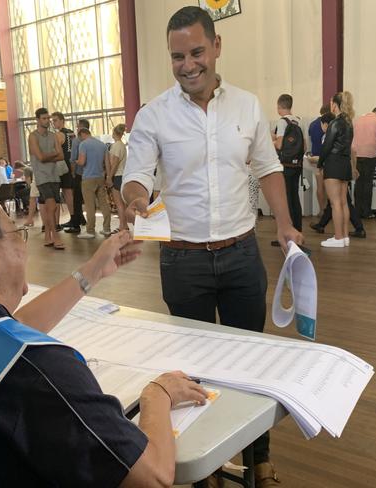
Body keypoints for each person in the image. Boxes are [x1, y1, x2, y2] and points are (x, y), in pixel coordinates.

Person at [0, 188, 207, 487]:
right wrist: (158, 394)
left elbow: (5, 332)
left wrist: (92, 272)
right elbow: (152, 477)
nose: (22, 243)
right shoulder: (34, 370)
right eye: (15, 233)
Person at [121, 7, 302, 486]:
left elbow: (267, 168)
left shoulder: (246, 105)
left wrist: (284, 224)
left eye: (197, 52)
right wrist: (137, 196)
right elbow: (136, 174)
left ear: (216, 47)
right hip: (183, 260)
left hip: (242, 254)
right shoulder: (153, 115)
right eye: (177, 56)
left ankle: (258, 459)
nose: (187, 64)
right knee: (192, 373)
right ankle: (206, 469)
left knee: (250, 363)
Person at [318, 91, 356, 248]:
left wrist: (320, 163)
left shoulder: (335, 123)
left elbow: (327, 146)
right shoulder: (349, 123)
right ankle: (345, 236)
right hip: (345, 163)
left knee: (335, 203)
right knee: (343, 202)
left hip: (333, 163)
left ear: (335, 104)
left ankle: (338, 237)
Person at [28, 108, 65, 249]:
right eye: (44, 118)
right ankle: (55, 237)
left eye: (48, 118)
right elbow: (40, 157)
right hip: (41, 176)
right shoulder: (33, 136)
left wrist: (48, 155)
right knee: (52, 206)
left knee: (52, 208)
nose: (47, 121)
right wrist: (52, 154)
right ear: (37, 120)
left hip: (54, 175)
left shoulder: (53, 136)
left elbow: (61, 156)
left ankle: (47, 236)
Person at [272, 93, 304, 238]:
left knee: (285, 199)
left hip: (285, 164)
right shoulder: (298, 121)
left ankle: (288, 233)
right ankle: (298, 230)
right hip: (297, 164)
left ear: (279, 106)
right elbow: (304, 144)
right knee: (294, 197)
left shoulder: (282, 122)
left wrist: (269, 143)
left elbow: (279, 144)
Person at [75, 127, 112, 239]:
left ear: (82, 134)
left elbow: (82, 162)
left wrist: (75, 161)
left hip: (88, 178)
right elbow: (107, 163)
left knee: (90, 205)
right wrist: (108, 177)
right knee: (103, 203)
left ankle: (90, 231)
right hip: (100, 177)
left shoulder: (84, 144)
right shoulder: (102, 145)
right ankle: (107, 229)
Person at [352, 107, 376, 218]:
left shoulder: (357, 119)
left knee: (358, 183)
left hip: (356, 154)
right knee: (367, 183)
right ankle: (366, 211)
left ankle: (357, 211)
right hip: (370, 154)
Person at [51, 111, 76, 229]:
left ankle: (72, 218)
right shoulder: (71, 133)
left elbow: (54, 151)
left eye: (55, 120)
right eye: (52, 120)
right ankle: (75, 217)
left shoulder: (58, 135)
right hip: (72, 165)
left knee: (67, 194)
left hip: (63, 167)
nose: (53, 123)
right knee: (71, 194)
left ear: (62, 120)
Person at [64, 119, 89, 234]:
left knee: (77, 199)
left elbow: (73, 159)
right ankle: (83, 219)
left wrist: (73, 173)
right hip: (91, 174)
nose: (77, 129)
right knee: (90, 200)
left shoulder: (76, 141)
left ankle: (76, 225)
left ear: (82, 128)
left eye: (78, 127)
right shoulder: (94, 141)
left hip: (79, 173)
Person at [307, 105, 331, 213]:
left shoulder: (312, 124)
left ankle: (322, 210)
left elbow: (310, 141)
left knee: (319, 186)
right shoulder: (329, 123)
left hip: (315, 159)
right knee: (330, 187)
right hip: (327, 158)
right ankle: (330, 211)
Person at [107, 123, 129, 233]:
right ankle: (124, 225)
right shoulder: (122, 145)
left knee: (119, 203)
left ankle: (122, 226)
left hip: (117, 176)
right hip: (123, 175)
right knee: (122, 204)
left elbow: (114, 163)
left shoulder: (116, 146)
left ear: (114, 133)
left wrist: (109, 177)